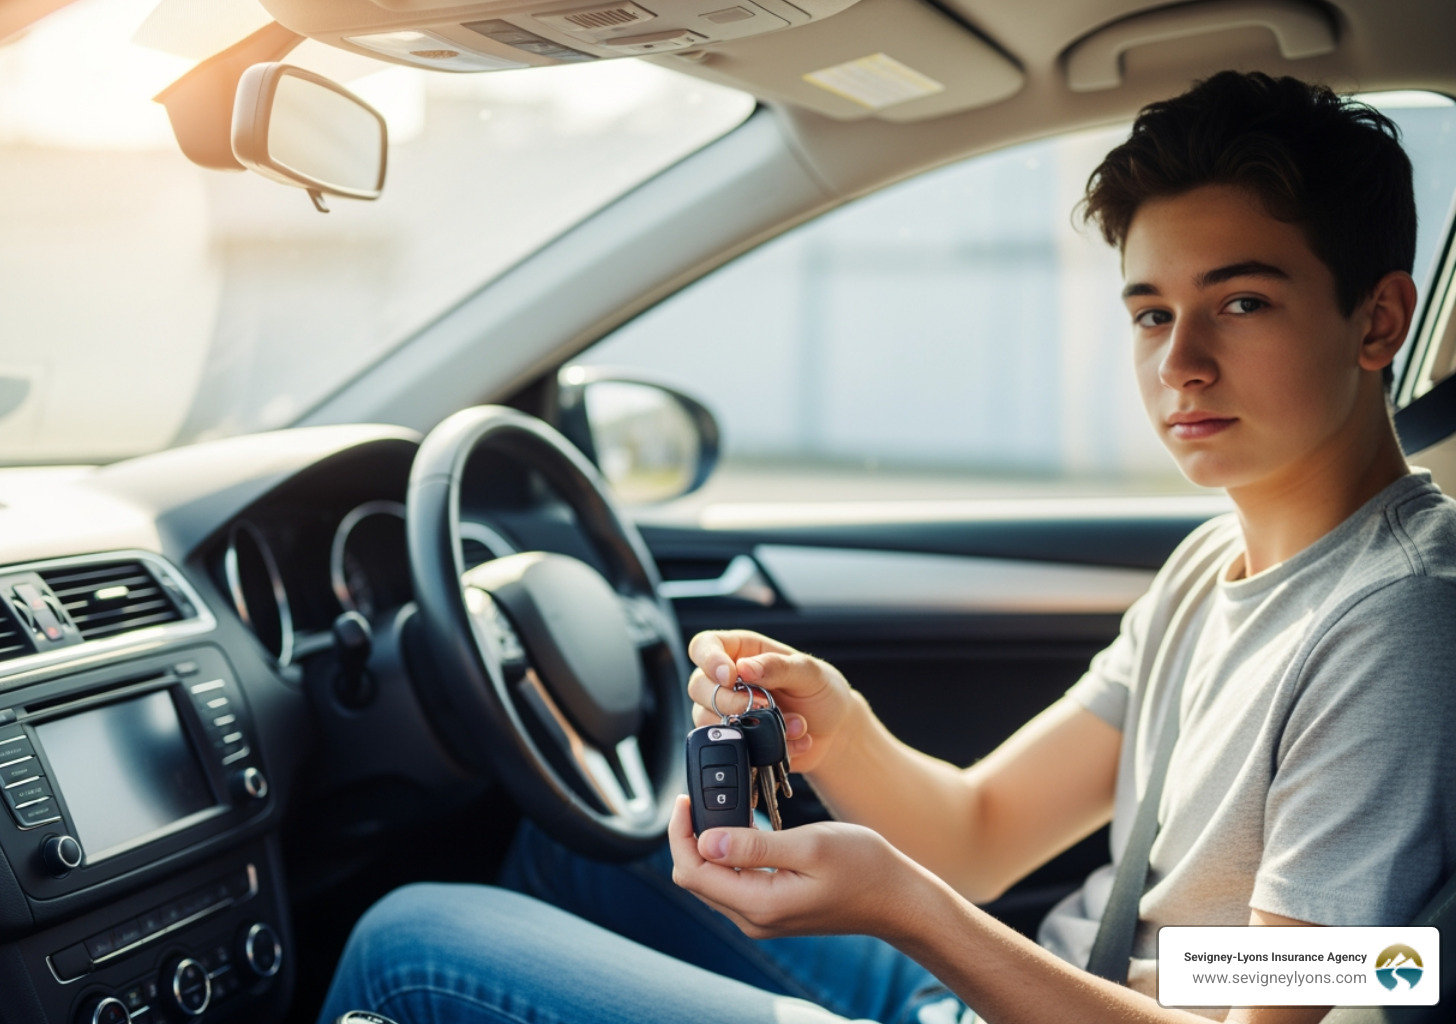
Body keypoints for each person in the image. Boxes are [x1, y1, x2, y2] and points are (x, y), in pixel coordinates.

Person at [317, 71, 1456, 1024]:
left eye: (1241, 303)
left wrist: (908, 908)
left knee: (410, 943)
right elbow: (979, 835)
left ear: (1379, 318)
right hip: (1039, 993)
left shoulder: (1399, 621)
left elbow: (1356, 977)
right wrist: (840, 728)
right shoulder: (1212, 567)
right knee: (589, 851)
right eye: (1153, 312)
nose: (1180, 364)